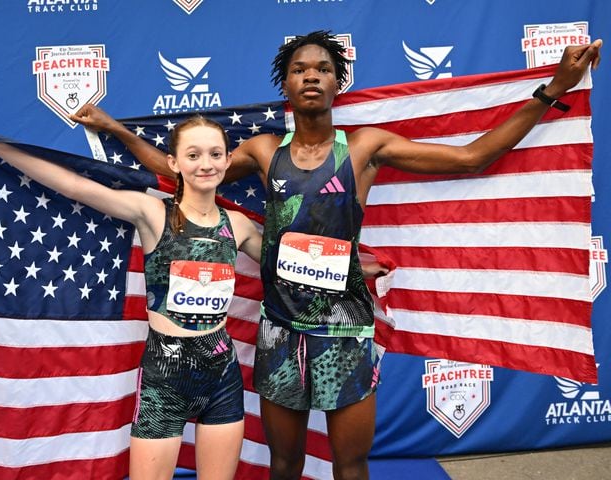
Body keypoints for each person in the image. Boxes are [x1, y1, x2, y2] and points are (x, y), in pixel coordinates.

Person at [69, 31, 602, 480]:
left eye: (322, 69)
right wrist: (115, 129)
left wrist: (554, 89)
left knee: (350, 467)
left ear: (336, 82)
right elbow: (177, 170)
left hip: (346, 333)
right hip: (279, 331)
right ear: (285, 83)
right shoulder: (263, 150)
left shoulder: (365, 146)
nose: (311, 76)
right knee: (283, 465)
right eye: (299, 69)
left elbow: (471, 157)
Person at [0, 115, 263, 480]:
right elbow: (76, 187)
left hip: (221, 373)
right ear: (174, 163)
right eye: (193, 155)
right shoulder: (153, 214)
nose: (205, 164)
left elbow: (285, 268)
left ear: (227, 160)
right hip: (166, 376)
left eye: (215, 154)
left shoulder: (238, 225)